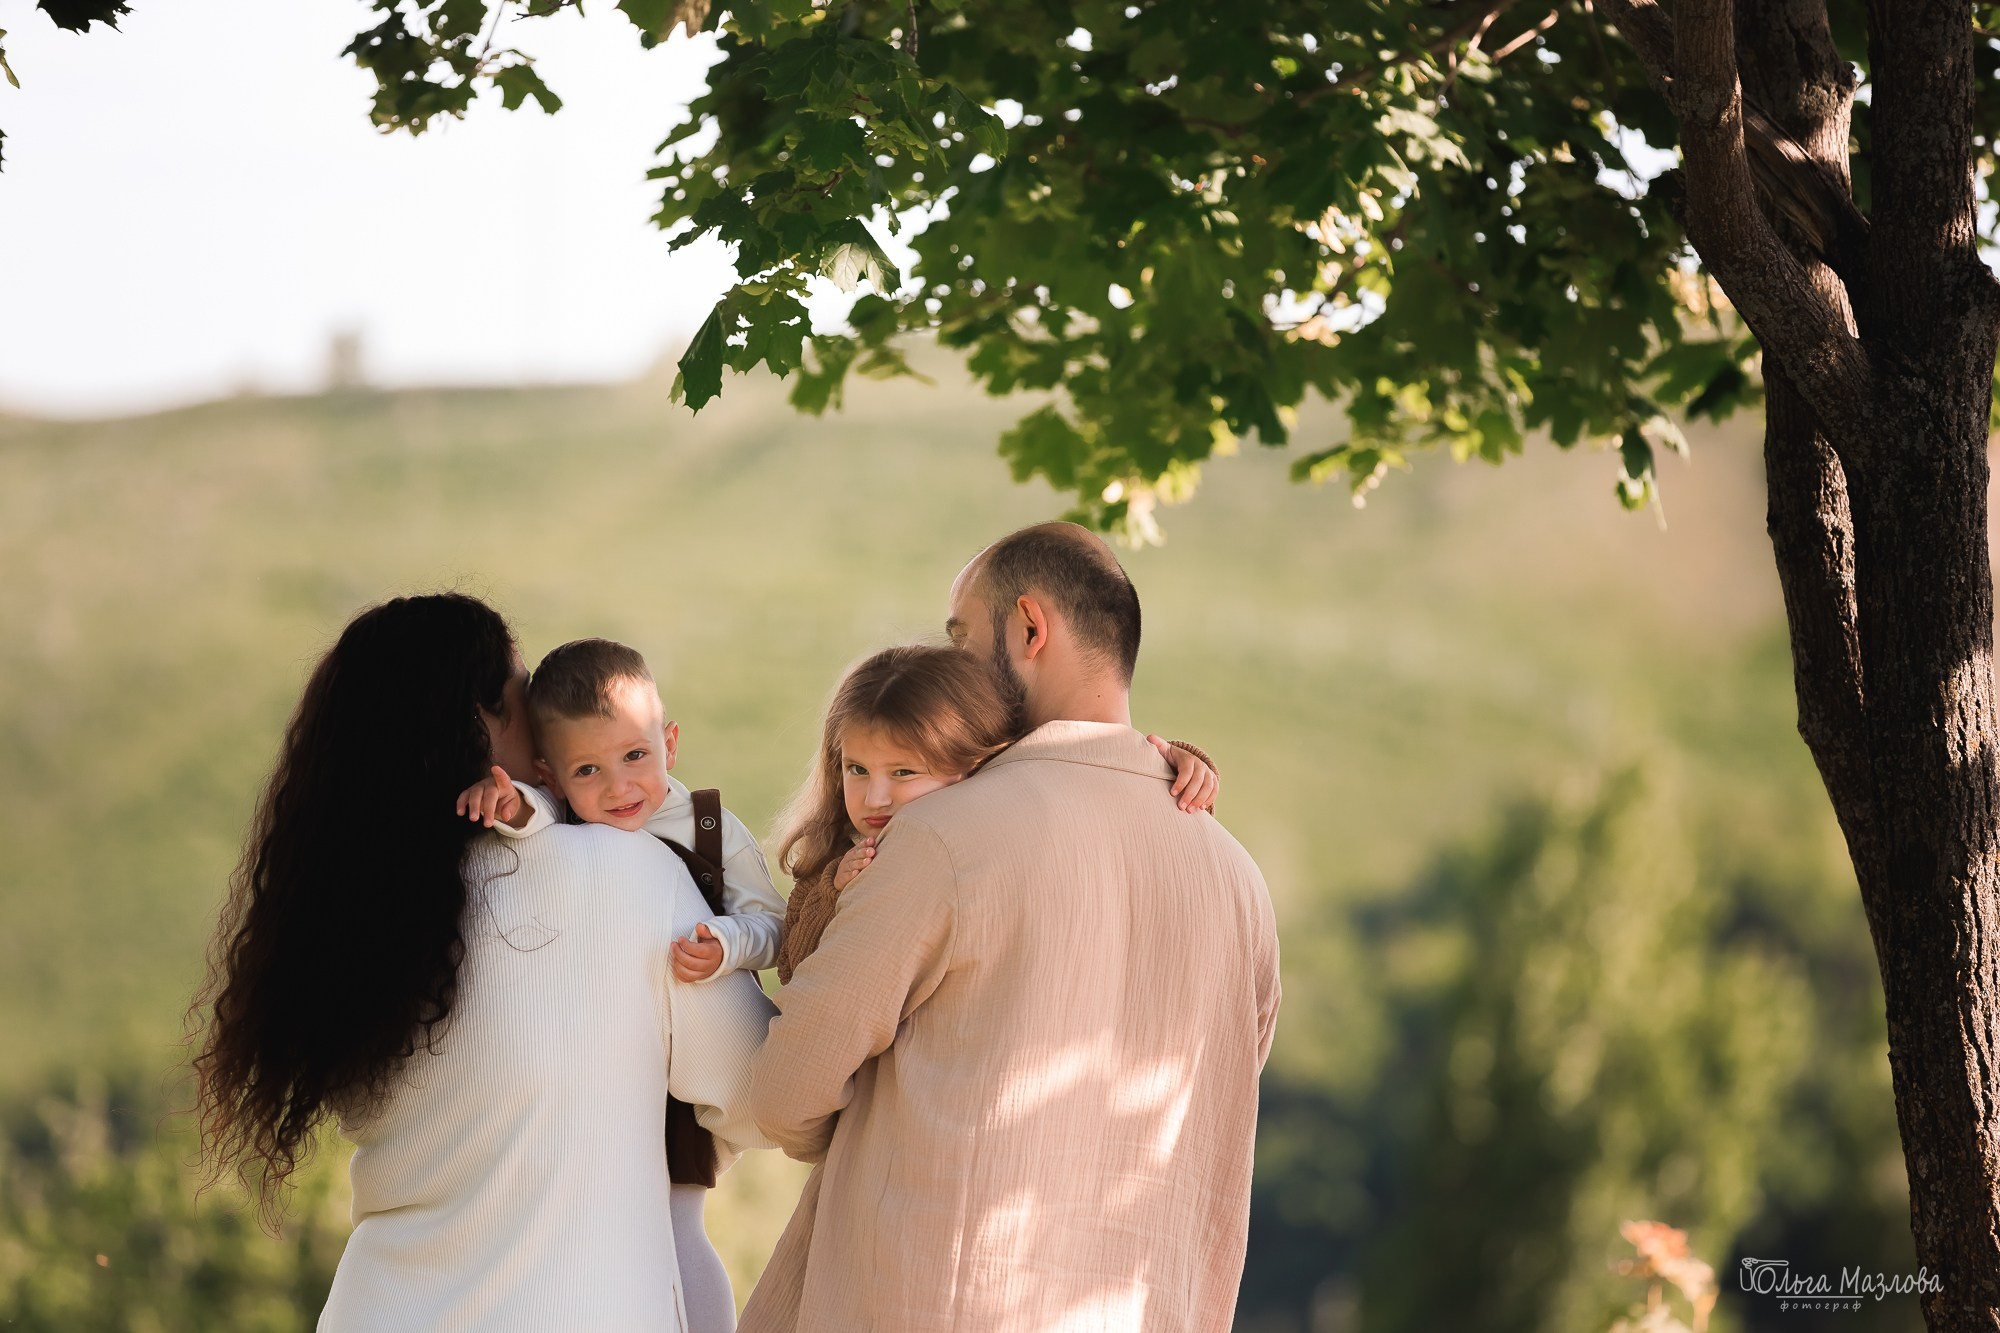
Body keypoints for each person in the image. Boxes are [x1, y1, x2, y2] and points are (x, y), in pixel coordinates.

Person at [740, 523, 1282, 1332]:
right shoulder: (1240, 880)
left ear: (1030, 628)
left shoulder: (939, 837)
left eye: (961, 636)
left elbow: (785, 1093)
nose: (949, 661)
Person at [193, 593, 775, 1333]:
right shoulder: (622, 871)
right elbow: (762, 1094)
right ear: (480, 725)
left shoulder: (361, 923)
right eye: (522, 696)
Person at [456, 635, 786, 1330]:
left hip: (679, 1078)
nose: (618, 788)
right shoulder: (563, 817)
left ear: (669, 741)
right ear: (551, 774)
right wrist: (512, 807)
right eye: (588, 769)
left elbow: (771, 927)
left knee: (674, 1218)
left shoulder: (709, 827)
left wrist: (724, 943)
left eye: (636, 756)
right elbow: (537, 822)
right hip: (597, 1067)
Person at [771, 642, 1219, 984]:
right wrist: (834, 894)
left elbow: (1096, 795)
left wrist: (1176, 765)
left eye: (904, 772)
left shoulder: (996, 820)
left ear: (971, 765)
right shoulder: (833, 862)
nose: (875, 797)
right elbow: (794, 975)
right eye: (857, 769)